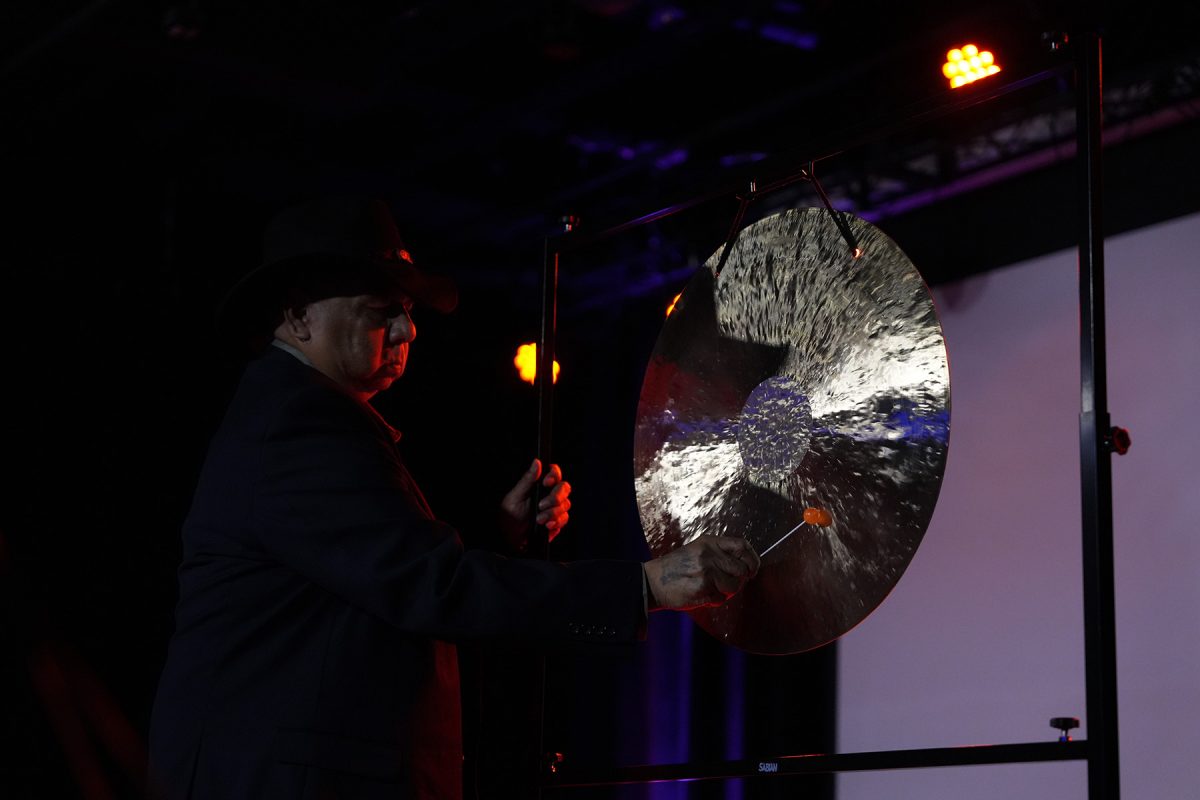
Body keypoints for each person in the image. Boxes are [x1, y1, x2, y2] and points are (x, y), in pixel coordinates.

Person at [147, 195, 759, 800]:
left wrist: (497, 535)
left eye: (408, 310)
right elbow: (431, 588)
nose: (408, 329)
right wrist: (643, 587)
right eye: (380, 310)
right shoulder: (296, 423)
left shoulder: (301, 414)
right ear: (301, 316)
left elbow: (367, 583)